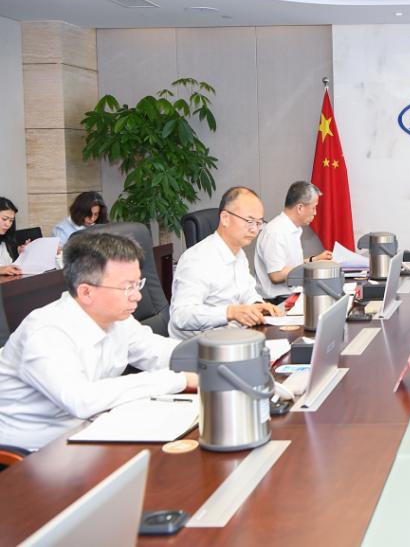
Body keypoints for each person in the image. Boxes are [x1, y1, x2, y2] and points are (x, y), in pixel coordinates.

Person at [0, 232, 198, 451]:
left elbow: (157, 351)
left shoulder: (117, 319)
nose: (137, 296)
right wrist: (178, 380)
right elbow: (81, 399)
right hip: (36, 452)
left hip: (94, 431)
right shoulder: (46, 332)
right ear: (86, 292)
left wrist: (211, 357)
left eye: (137, 284)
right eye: (127, 287)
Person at [169, 187, 282, 340]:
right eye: (249, 221)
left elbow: (246, 291)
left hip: (231, 338)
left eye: (259, 223)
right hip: (198, 347)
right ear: (225, 218)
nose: (254, 230)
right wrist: (229, 312)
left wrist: (256, 305)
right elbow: (181, 316)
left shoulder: (239, 253)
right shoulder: (197, 259)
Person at [254, 181, 332, 302]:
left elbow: (292, 266)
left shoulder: (292, 229)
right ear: (300, 208)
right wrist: (313, 268)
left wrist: (315, 260)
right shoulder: (275, 232)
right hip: (277, 302)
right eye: (313, 207)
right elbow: (276, 274)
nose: (315, 213)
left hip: (290, 295)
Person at [0, 196, 26, 276]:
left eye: (11, 221)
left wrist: (21, 255)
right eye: (4, 219)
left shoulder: (4, 242)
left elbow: (9, 266)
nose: (8, 224)